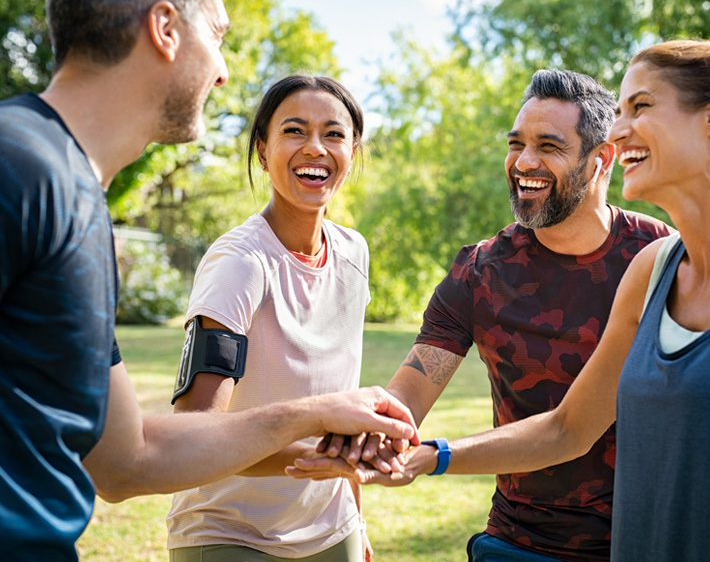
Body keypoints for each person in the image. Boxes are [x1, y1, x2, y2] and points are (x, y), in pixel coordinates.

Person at [0, 0, 419, 561]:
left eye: (335, 133)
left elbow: (126, 461)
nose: (222, 70)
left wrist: (324, 429)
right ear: (165, 28)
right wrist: (319, 414)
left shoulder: (80, 199)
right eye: (217, 35)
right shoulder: (19, 168)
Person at [291, 40, 710, 562]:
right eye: (516, 144)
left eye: (549, 146)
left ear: (602, 160)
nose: (523, 162)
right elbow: (407, 400)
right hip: (517, 542)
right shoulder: (480, 271)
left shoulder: (657, 256)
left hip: (638, 541)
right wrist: (366, 441)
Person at [166, 74, 375, 562]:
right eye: (295, 131)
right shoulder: (240, 263)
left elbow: (340, 398)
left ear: (353, 150)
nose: (315, 148)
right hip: (228, 533)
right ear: (262, 150)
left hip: (330, 529)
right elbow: (196, 435)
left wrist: (355, 517)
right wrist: (323, 458)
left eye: (334, 134)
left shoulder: (353, 253)